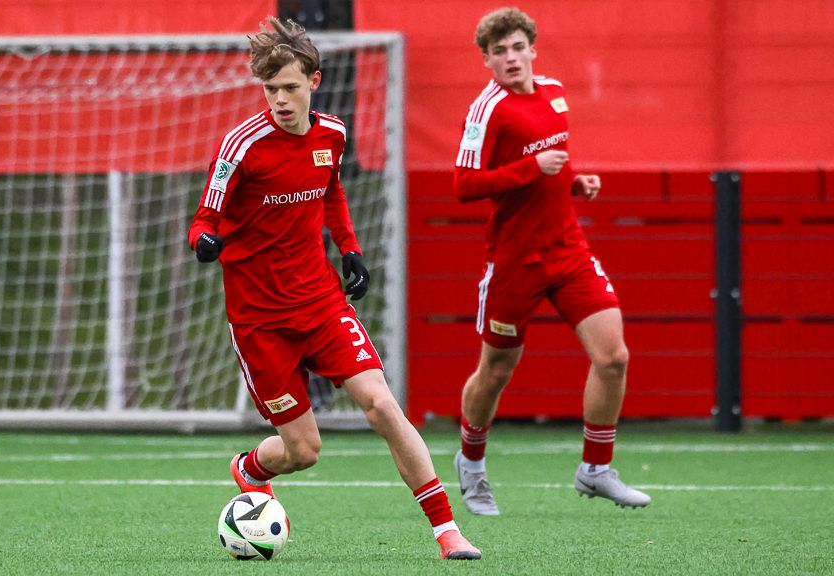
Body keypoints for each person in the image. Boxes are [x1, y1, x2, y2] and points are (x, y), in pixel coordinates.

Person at [189, 17, 481, 560]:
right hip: (260, 321)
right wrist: (204, 241)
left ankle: (447, 531)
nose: (280, 99)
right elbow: (205, 218)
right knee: (303, 451)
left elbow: (331, 192)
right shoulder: (240, 146)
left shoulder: (332, 135)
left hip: (321, 302)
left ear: (314, 81)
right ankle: (250, 467)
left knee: (382, 405)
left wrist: (350, 248)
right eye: (270, 89)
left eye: (289, 87)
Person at [451, 7, 651, 515]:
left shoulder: (555, 92)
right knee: (496, 370)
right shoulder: (486, 110)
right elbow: (464, 185)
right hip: (514, 263)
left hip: (568, 251)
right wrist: (531, 167)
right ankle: (471, 464)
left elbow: (553, 161)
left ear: (532, 50)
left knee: (613, 357)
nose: (511, 58)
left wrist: (573, 181)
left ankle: (596, 470)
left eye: (518, 48)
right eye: (499, 52)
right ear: (487, 60)